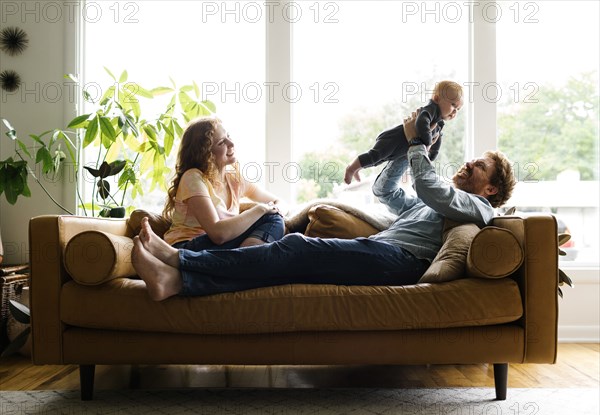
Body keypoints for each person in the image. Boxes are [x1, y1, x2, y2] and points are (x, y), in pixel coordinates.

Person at [132, 113, 516, 301]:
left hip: (397, 261)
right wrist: (403, 144)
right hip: (381, 252)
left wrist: (421, 144)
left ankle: (180, 261)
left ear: (491, 188)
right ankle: (179, 281)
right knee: (281, 264)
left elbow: (431, 187)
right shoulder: (437, 207)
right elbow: (386, 190)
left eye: (478, 166)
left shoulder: (476, 209)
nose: (468, 165)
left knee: (293, 247)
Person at [161, 117, 286, 251]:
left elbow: (280, 202)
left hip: (220, 248)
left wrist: (276, 210)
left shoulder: (234, 179)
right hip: (188, 246)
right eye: (221, 142)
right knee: (271, 219)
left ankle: (246, 256)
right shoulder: (193, 177)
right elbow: (218, 234)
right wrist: (260, 209)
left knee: (275, 219)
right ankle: (246, 257)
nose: (231, 143)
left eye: (228, 136)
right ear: (205, 153)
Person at [344, 80, 464, 184]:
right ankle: (351, 168)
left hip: (401, 149)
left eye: (458, 109)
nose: (455, 112)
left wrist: (433, 153)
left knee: (378, 161)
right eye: (453, 105)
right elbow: (421, 123)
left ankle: (358, 168)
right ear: (437, 99)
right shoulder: (430, 111)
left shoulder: (438, 123)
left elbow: (438, 138)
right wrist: (427, 143)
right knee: (375, 156)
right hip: (393, 139)